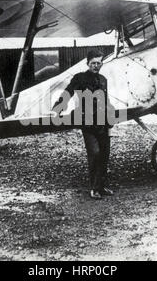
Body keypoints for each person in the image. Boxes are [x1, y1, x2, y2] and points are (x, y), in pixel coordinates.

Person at [52, 50, 114, 200]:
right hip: (87, 123)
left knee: (105, 155)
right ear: (87, 63)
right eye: (93, 63)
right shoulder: (79, 78)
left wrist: (111, 120)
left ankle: (102, 186)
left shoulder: (103, 79)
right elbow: (68, 92)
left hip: (103, 122)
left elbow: (106, 101)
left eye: (99, 63)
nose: (96, 66)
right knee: (95, 153)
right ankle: (94, 188)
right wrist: (58, 108)